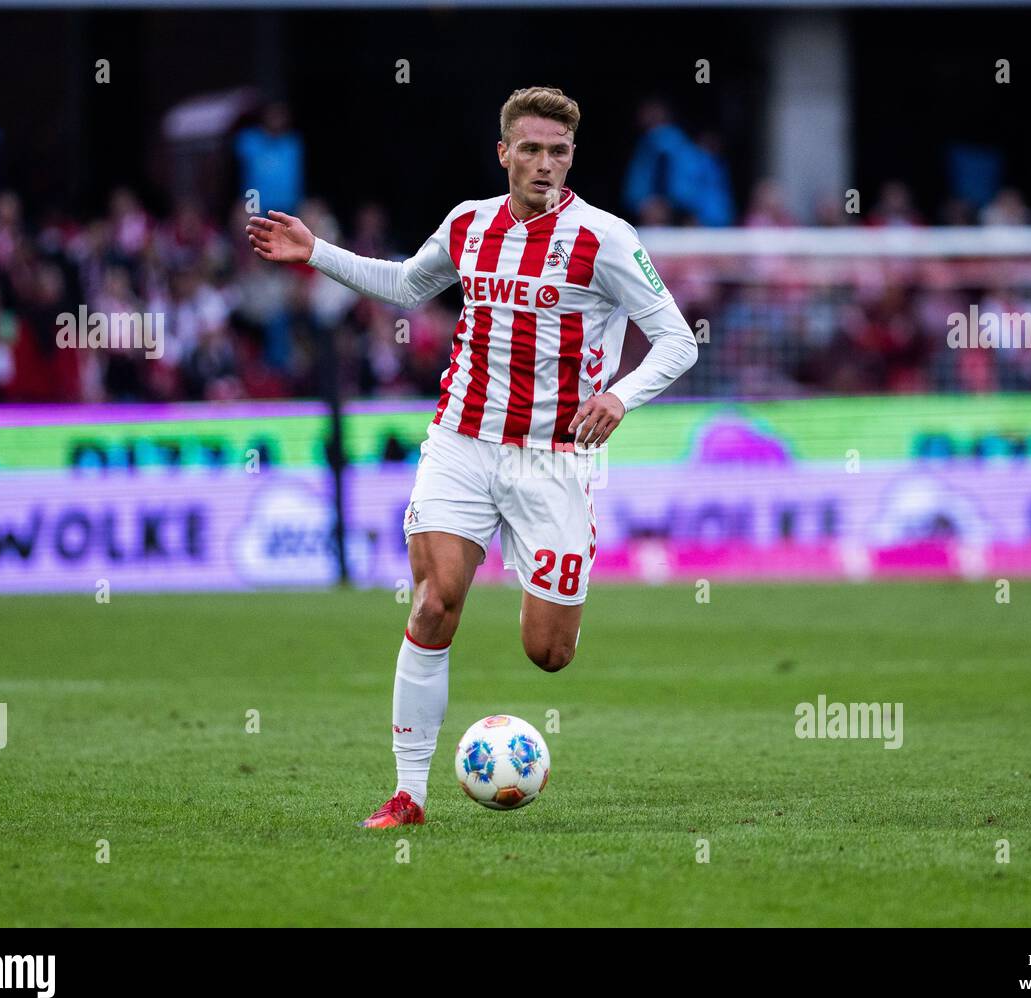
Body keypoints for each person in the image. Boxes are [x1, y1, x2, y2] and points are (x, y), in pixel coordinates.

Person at [247, 86, 698, 828]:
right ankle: (409, 794)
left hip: (555, 459)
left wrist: (620, 396)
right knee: (433, 602)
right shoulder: (469, 225)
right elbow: (405, 285)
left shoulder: (606, 239)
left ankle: (563, 596)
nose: (545, 164)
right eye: (531, 149)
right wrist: (315, 253)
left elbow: (678, 339)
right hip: (461, 441)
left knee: (547, 654)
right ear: (504, 153)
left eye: (558, 152)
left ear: (572, 157)